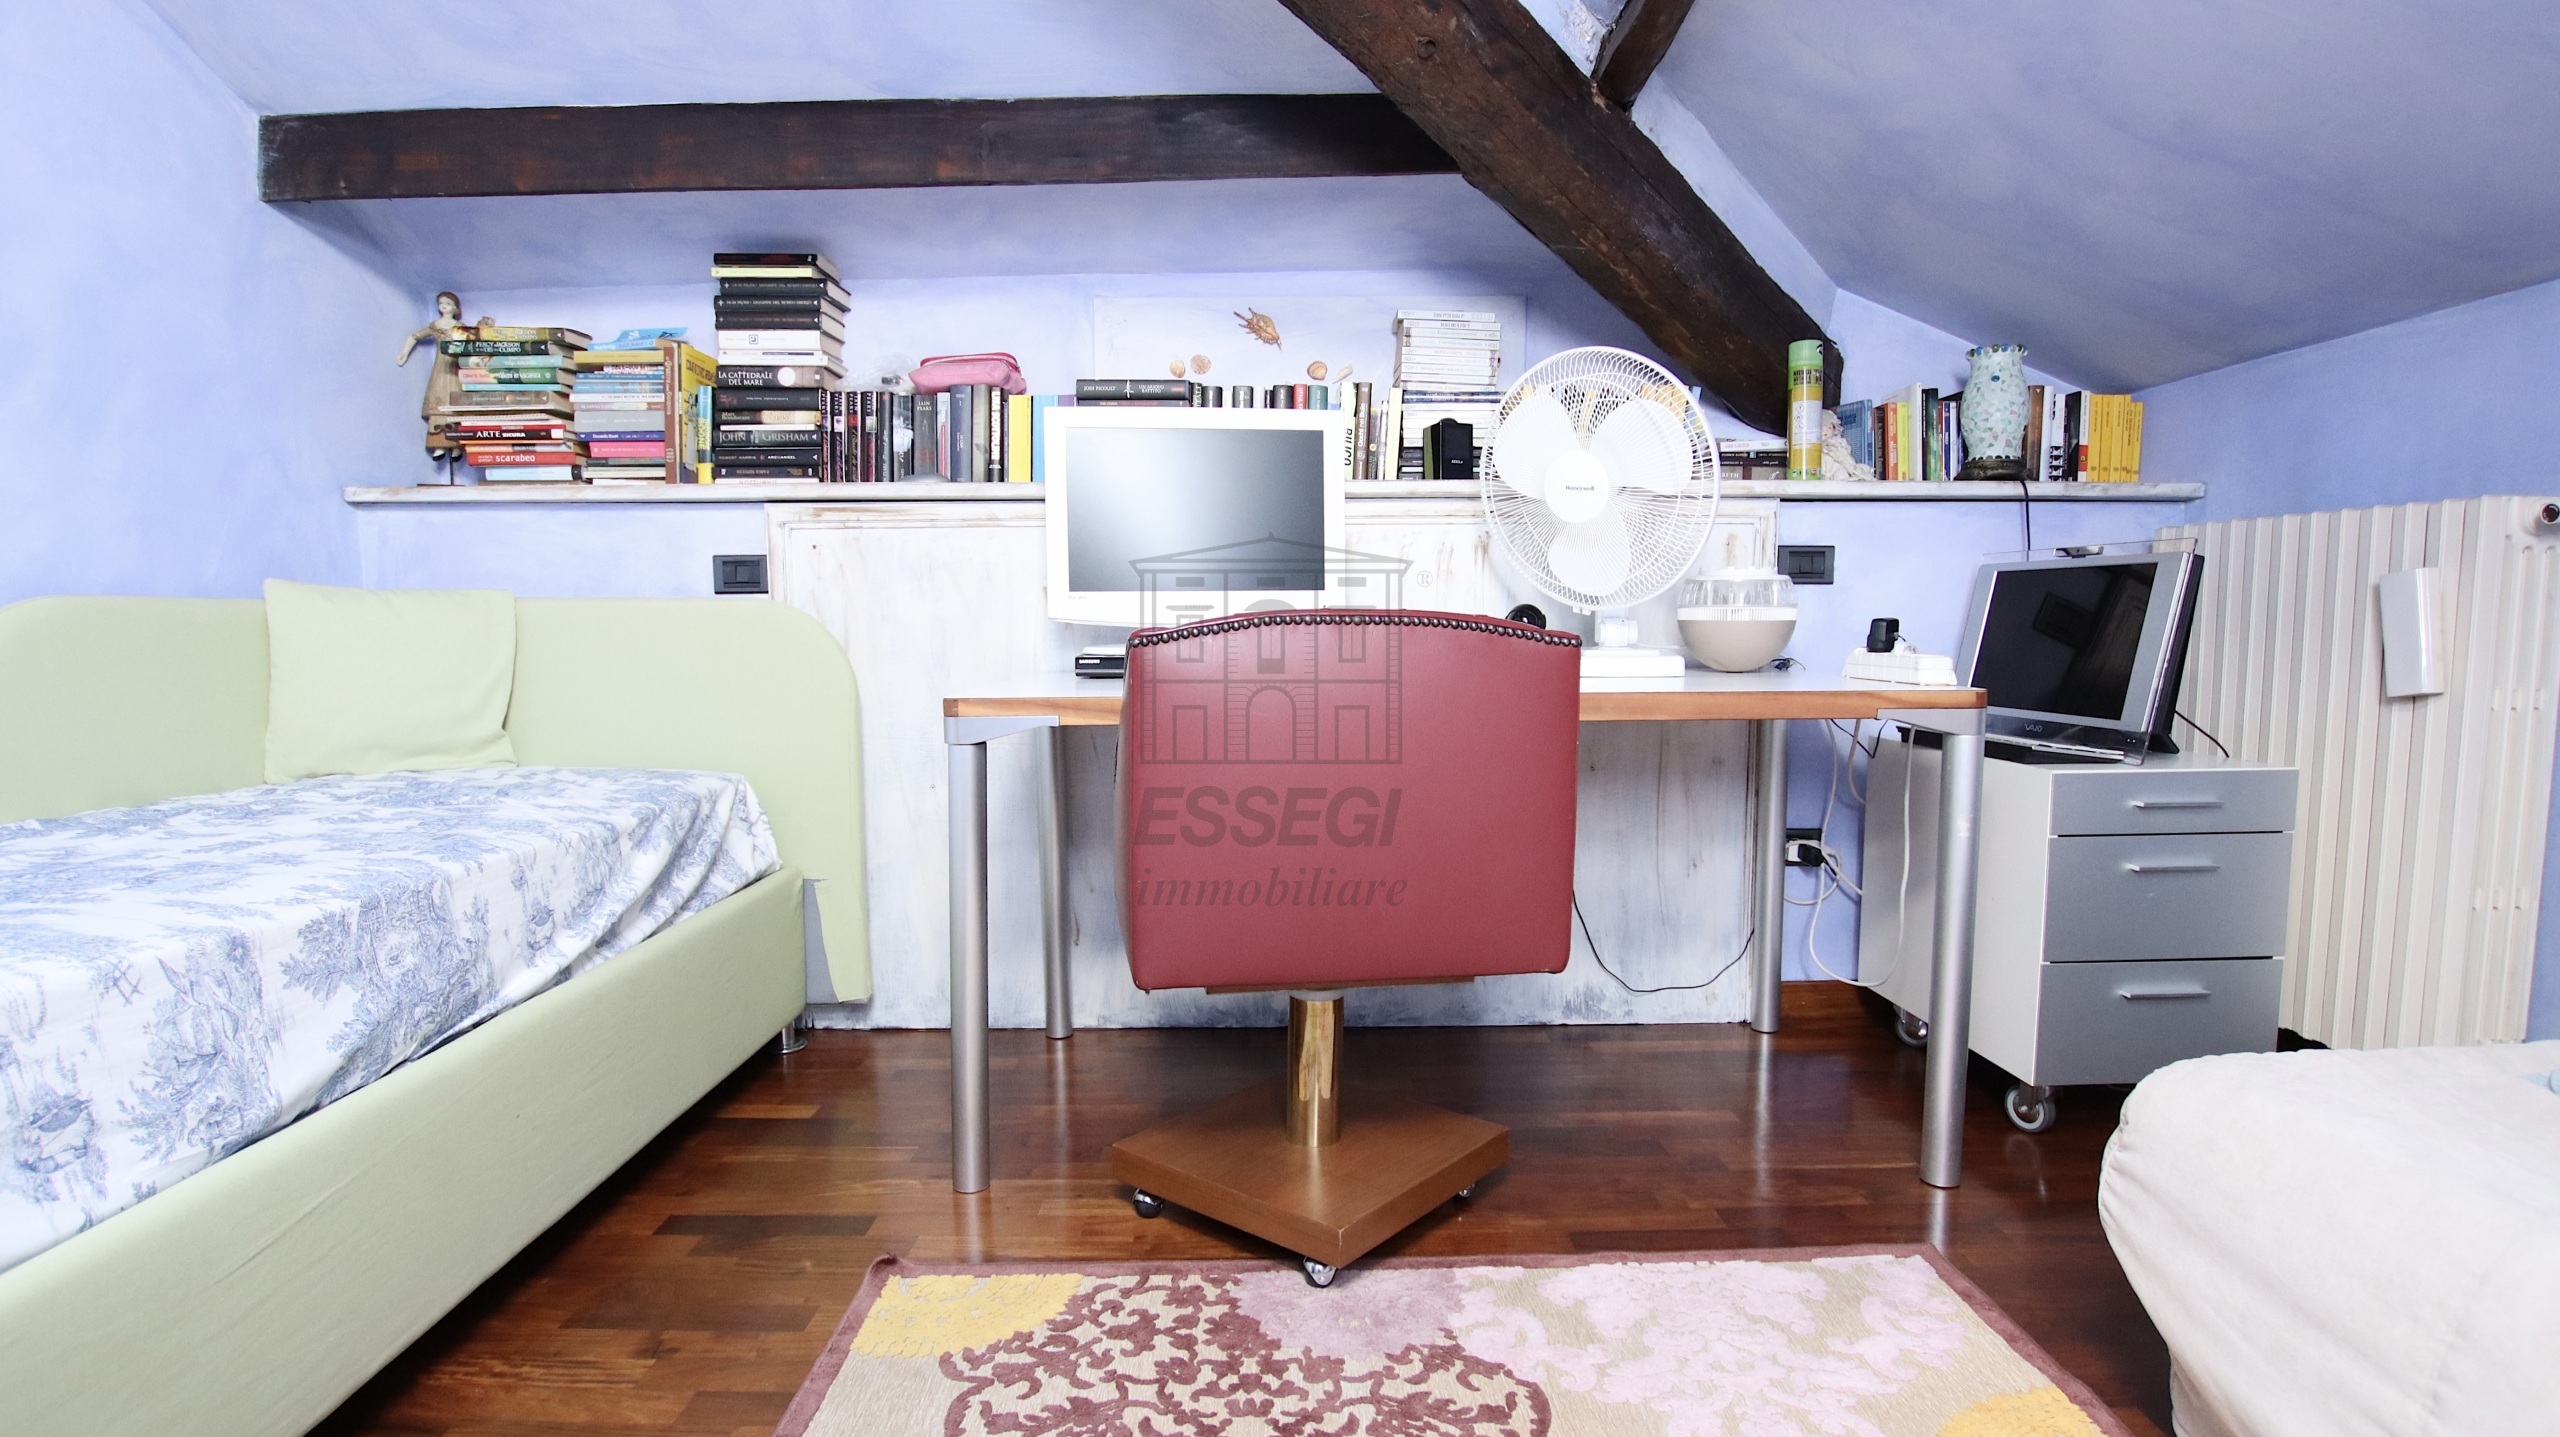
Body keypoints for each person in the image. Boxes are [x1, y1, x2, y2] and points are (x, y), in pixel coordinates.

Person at [397, 292, 482, 457]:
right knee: (439, 399)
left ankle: (456, 445)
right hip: (441, 366)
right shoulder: (435, 325)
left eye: (448, 303)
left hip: (455, 366)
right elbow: (414, 336)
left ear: (455, 308)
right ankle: (439, 444)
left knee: (456, 401)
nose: (444, 306)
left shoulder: (460, 327)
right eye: (441, 303)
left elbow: (472, 344)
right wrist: (404, 353)